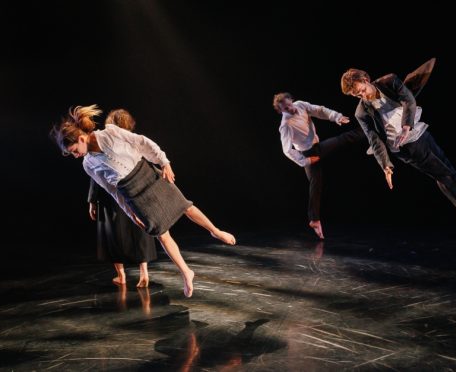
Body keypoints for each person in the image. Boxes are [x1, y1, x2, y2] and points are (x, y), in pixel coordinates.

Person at [51, 105, 236, 298]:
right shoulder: (88, 164)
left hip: (146, 174)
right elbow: (112, 190)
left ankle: (215, 231)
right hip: (131, 192)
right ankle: (186, 272)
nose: (75, 155)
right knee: (161, 234)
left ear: (81, 139)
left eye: (74, 150)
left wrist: (164, 162)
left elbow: (142, 142)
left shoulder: (110, 133)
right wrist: (130, 212)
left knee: (185, 206)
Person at [340, 59, 456, 214]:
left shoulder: (388, 81)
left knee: (442, 160)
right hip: (404, 146)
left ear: (366, 80)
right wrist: (385, 166)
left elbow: (408, 99)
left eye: (362, 90)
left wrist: (406, 127)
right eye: (357, 95)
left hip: (415, 129)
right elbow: (374, 139)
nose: (362, 96)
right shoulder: (361, 112)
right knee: (440, 172)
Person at [274, 92, 365, 239]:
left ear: (291, 100)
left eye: (289, 105)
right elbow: (287, 150)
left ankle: (314, 219)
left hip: (316, 146)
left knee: (316, 183)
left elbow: (319, 110)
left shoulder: (300, 105)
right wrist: (307, 161)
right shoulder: (285, 125)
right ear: (281, 111)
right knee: (316, 184)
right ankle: (315, 220)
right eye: (285, 109)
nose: (290, 109)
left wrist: (336, 117)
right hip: (308, 153)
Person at [88, 109, 157, 288]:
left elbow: (96, 176)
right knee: (140, 230)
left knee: (112, 234)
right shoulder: (131, 143)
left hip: (111, 194)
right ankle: (144, 272)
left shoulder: (104, 143)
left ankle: (121, 275)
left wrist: (92, 201)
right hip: (134, 191)